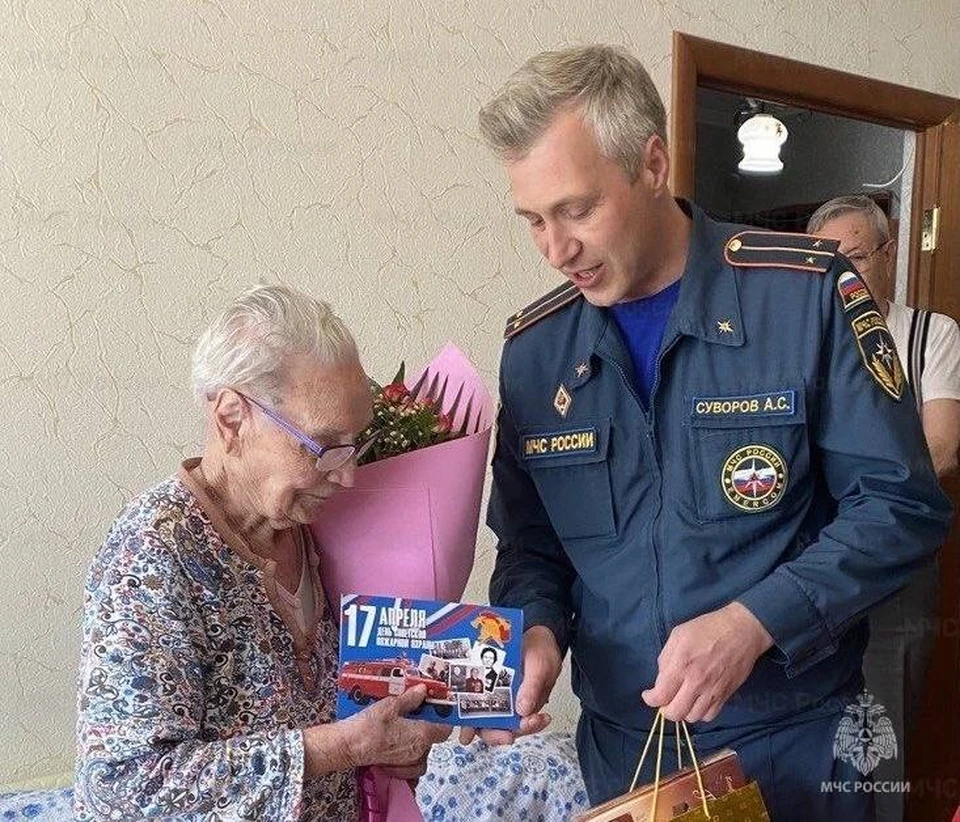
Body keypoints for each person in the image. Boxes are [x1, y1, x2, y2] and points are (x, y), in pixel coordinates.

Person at [466, 45, 953, 822]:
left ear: (653, 163)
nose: (556, 250)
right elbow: (531, 548)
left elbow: (900, 507)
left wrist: (756, 621)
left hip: (794, 743)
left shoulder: (806, 298)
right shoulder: (535, 353)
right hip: (626, 755)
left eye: (577, 209)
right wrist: (538, 634)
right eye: (533, 220)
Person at [75, 284, 450, 821]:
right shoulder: (154, 550)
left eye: (356, 444)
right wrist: (344, 747)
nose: (346, 476)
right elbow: (127, 785)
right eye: (322, 446)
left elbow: (355, 707)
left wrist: (407, 732)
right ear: (231, 418)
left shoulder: (315, 529)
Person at [809, 195, 960, 822]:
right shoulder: (805, 337)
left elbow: (944, 448)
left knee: (883, 731)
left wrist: (847, 491)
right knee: (807, 730)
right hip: (813, 566)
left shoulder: (931, 333)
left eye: (854, 257)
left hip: (896, 569)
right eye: (826, 261)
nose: (841, 274)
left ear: (890, 255)